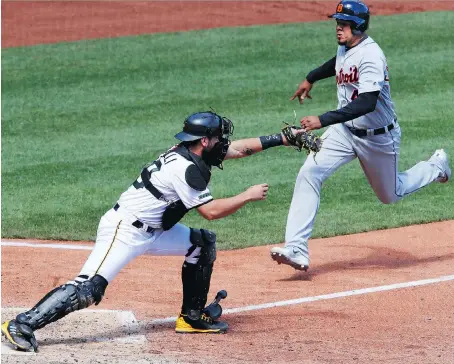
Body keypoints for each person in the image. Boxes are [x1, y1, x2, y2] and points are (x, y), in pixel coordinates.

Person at [2, 111, 299, 351]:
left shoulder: (190, 151)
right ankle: (21, 324)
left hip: (155, 230)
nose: (224, 142)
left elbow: (238, 149)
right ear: (205, 140)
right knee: (89, 288)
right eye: (219, 136)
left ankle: (191, 318)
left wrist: (280, 139)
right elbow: (211, 212)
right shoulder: (186, 169)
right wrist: (246, 195)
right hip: (125, 230)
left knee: (201, 244)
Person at [270, 0, 451, 271]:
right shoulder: (347, 46)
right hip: (345, 132)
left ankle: (436, 166)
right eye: (337, 22)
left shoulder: (372, 56)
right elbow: (339, 63)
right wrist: (311, 77)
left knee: (391, 194)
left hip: (378, 137)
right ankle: (296, 247)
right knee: (310, 173)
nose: (337, 28)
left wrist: (322, 119)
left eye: (343, 24)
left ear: (358, 25)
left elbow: (366, 102)